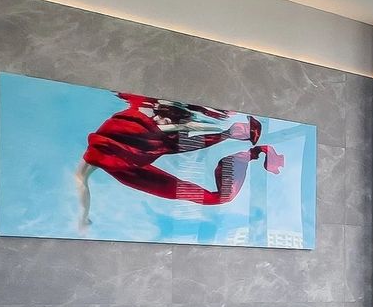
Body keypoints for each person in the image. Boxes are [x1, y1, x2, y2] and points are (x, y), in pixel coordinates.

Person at [74, 93, 282, 234]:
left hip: (144, 153)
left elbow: (81, 180)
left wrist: (83, 217)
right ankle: (241, 144)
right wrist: (83, 217)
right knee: (210, 195)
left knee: (177, 139)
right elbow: (81, 181)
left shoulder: (140, 121)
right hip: (137, 169)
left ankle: (239, 138)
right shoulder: (105, 146)